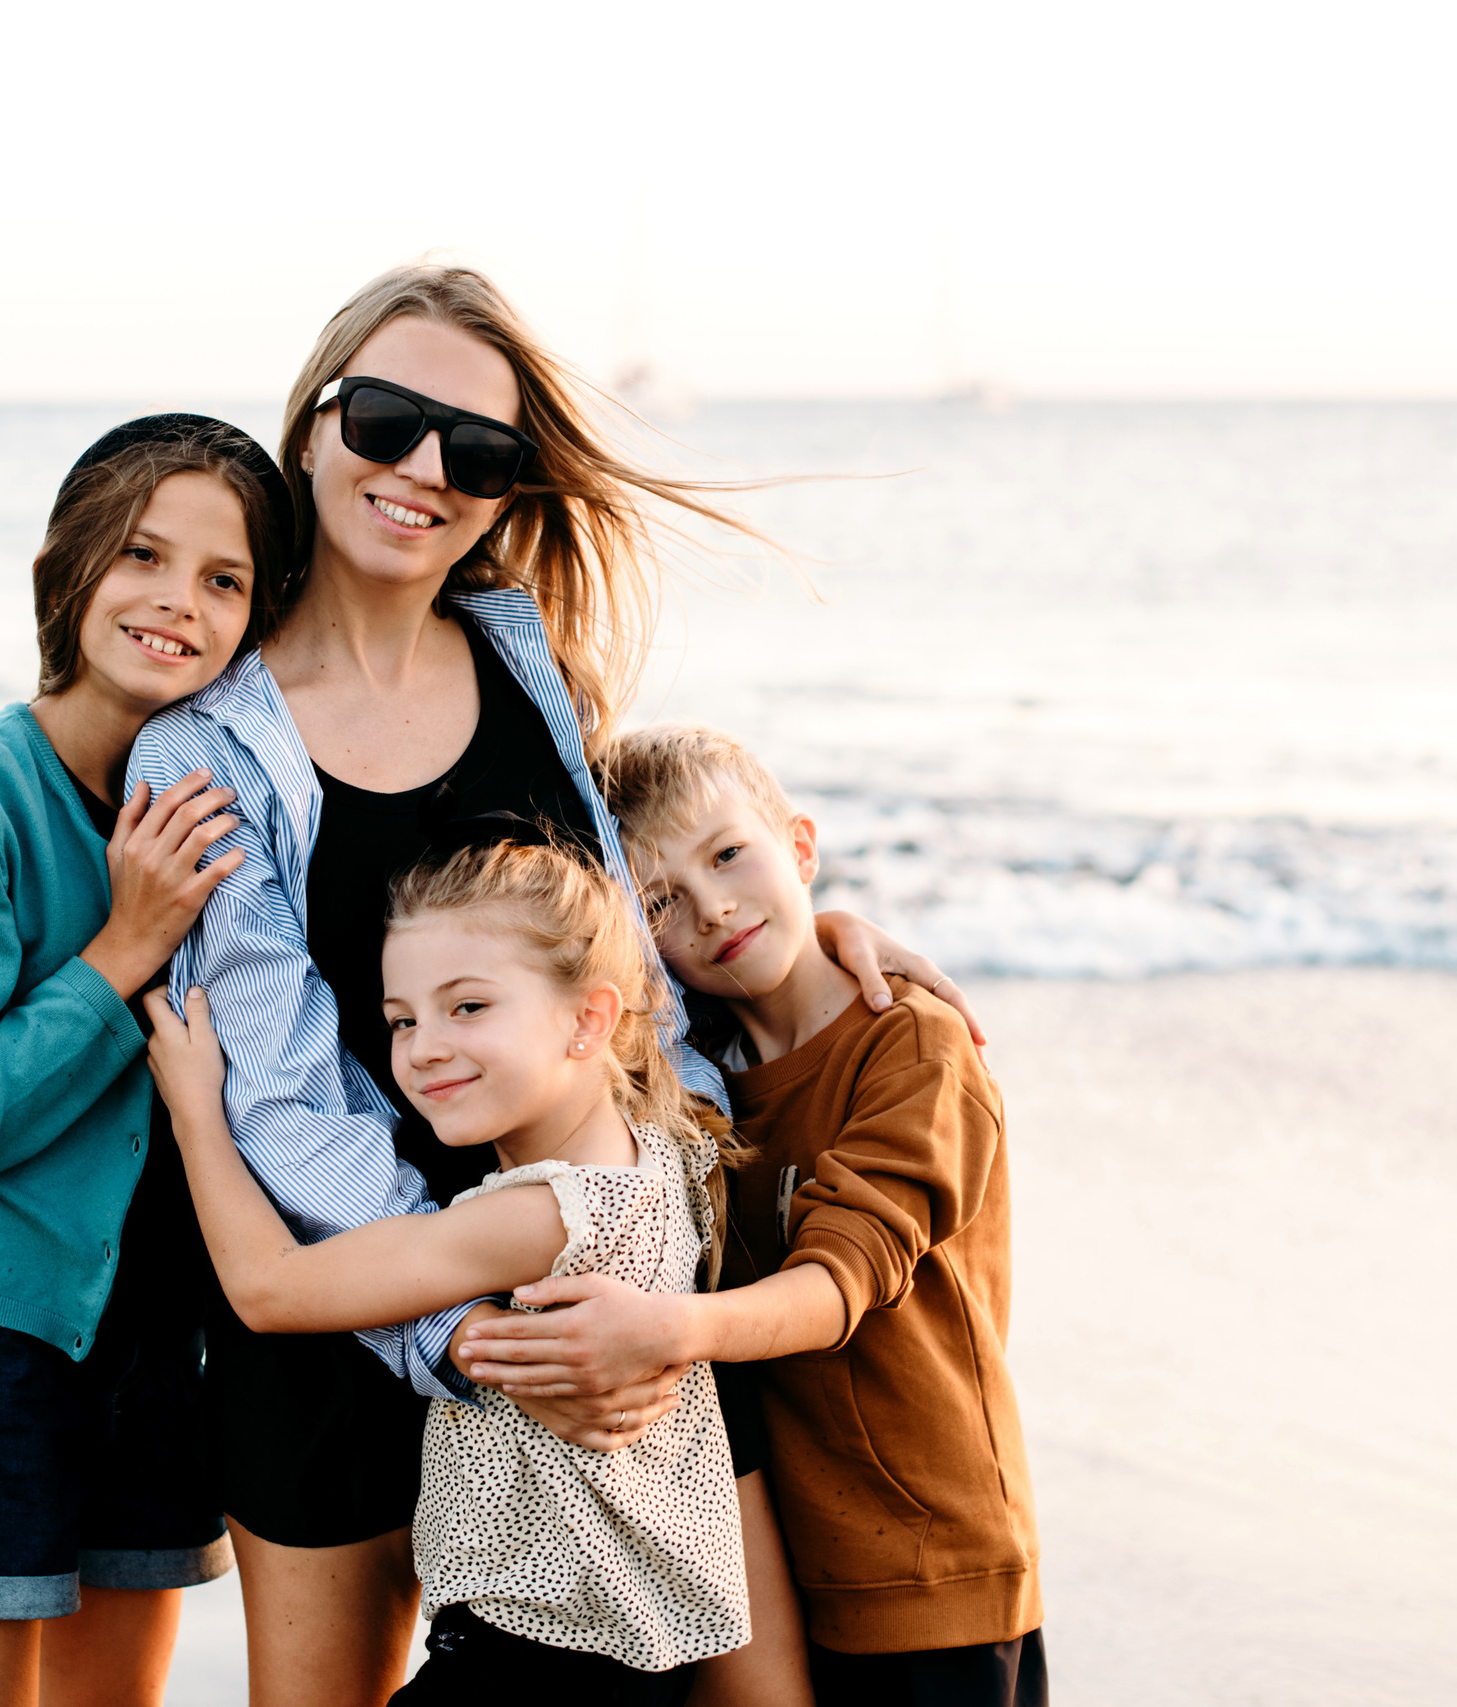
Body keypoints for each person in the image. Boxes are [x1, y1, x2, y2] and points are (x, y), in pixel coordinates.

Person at [127, 264, 983, 1706]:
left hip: (610, 1301)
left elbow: (616, 970)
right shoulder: (205, 748)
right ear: (315, 417)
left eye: (479, 450)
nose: (423, 471)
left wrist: (812, 949)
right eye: (390, 420)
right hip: (361, 1327)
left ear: (515, 485)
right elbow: (284, 1101)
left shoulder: (528, 659)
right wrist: (466, 1333)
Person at [0, 416, 293, 1707]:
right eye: (143, 553)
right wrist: (122, 946)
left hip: (160, 1353)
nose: (177, 601)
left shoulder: (227, 803)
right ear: (73, 567)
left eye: (225, 579)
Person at [146, 836, 753, 1705]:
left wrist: (196, 1109)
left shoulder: (539, 1214)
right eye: (402, 1019)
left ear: (589, 1018)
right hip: (617, 1658)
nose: (426, 1047)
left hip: (538, 1660)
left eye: (468, 1007)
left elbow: (268, 1286)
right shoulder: (663, 1158)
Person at [585, 723, 1045, 1707]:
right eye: (661, 901)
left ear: (799, 846)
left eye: (728, 856)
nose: (711, 909)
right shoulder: (697, 1082)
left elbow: (842, 1281)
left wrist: (669, 1332)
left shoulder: (911, 1047)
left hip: (932, 1569)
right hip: (785, 1573)